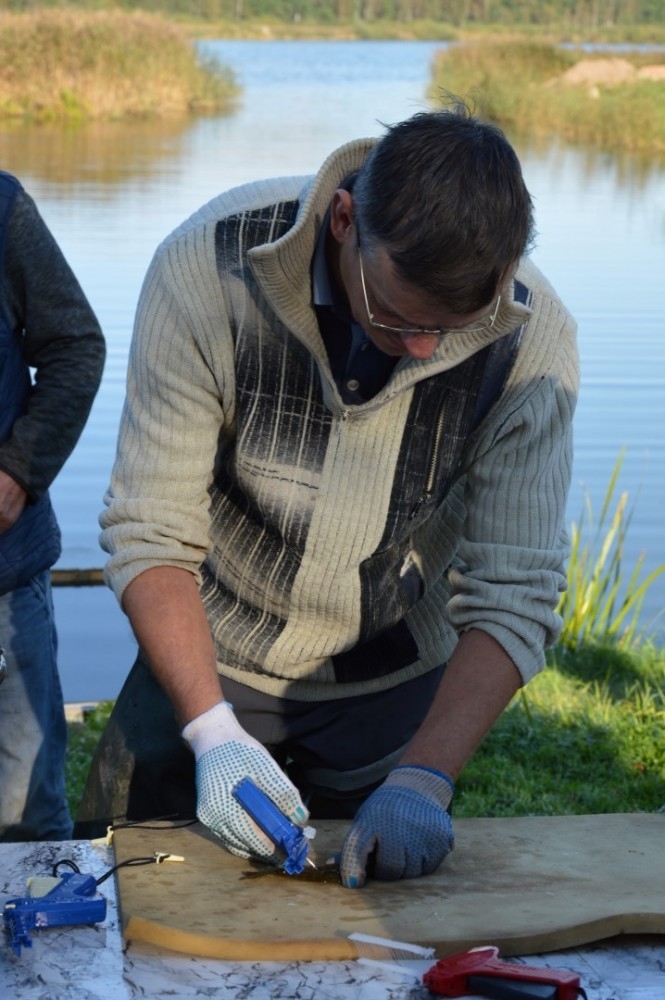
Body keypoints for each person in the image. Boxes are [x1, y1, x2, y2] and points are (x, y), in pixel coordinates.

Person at [77, 102, 578, 887]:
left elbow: (515, 591)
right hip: (206, 648)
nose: (421, 351)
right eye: (399, 318)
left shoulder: (533, 342)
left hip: (388, 673)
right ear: (344, 220)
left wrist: (426, 777)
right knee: (140, 889)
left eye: (453, 330)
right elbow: (150, 531)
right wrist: (212, 731)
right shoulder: (208, 270)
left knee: (370, 933)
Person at [0, 171, 105, 841]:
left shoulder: (4, 208)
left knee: (26, 816)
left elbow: (76, 345)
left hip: (4, 582)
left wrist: (18, 469)